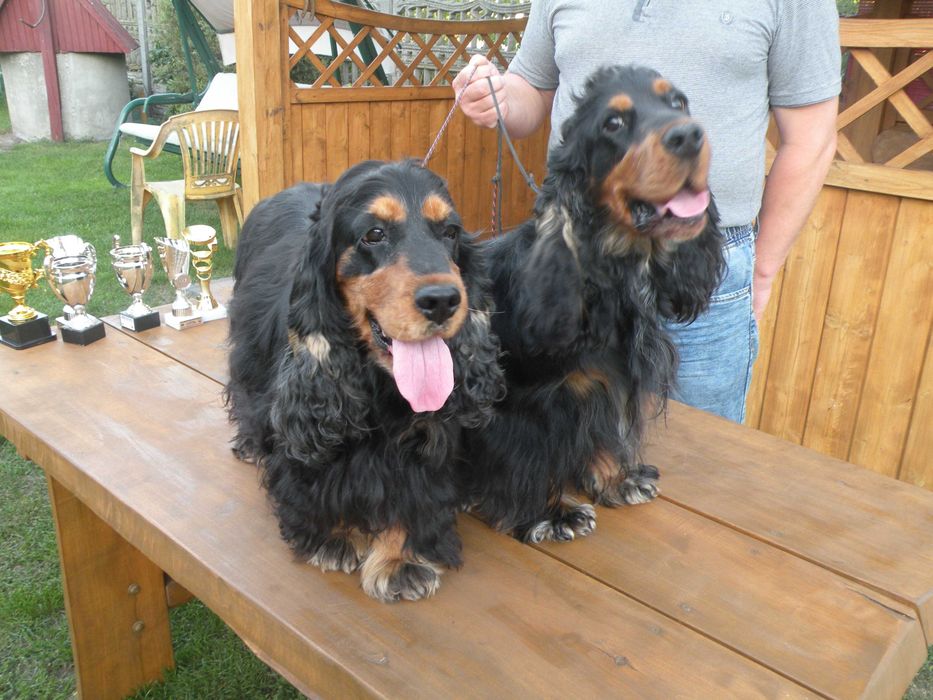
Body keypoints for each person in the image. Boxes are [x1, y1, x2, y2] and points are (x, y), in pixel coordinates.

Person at [452, 0, 841, 423]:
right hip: (573, 262)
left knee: (702, 454)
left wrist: (762, 269)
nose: (684, 130)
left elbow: (812, 137)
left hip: (702, 254)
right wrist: (500, 98)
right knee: (558, 438)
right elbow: (532, 87)